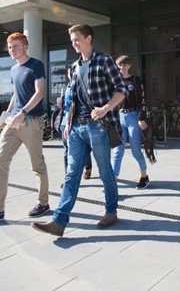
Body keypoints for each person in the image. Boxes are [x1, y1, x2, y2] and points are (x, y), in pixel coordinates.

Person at [32, 24, 128, 237]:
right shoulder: (74, 66)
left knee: (105, 173)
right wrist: (68, 122)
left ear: (89, 38)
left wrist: (105, 108)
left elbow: (121, 90)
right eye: (72, 39)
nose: (74, 43)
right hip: (76, 128)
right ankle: (59, 221)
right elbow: (73, 98)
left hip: (98, 127)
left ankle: (111, 211)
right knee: (72, 173)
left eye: (77, 39)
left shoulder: (104, 61)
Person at [0, 32, 50, 223]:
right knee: (0, 161)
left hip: (30, 121)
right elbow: (16, 95)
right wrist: (5, 116)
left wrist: (22, 112)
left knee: (37, 164)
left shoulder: (36, 65)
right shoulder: (14, 70)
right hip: (13, 122)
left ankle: (43, 203)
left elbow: (40, 92)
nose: (12, 50)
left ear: (25, 47)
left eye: (15, 46)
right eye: (9, 47)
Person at [112, 55, 150, 189]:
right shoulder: (115, 82)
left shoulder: (135, 80)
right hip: (119, 117)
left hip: (133, 116)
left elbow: (142, 100)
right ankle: (113, 179)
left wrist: (141, 117)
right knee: (117, 150)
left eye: (125, 65)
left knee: (135, 150)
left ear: (129, 66)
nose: (122, 67)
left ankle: (144, 177)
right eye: (120, 65)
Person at [58, 67, 93, 186]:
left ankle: (87, 167)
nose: (71, 74)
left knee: (84, 148)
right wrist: (61, 103)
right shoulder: (66, 87)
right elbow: (66, 105)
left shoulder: (81, 86)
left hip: (77, 121)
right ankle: (68, 177)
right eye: (70, 72)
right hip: (65, 121)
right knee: (66, 151)